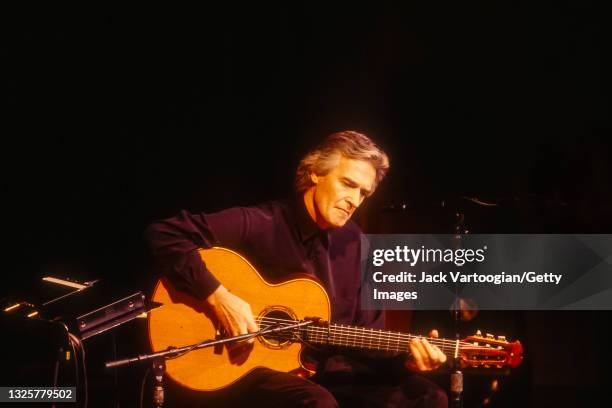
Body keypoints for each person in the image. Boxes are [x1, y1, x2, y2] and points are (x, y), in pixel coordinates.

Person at [145, 130, 448, 407]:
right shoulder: (263, 223)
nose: (354, 200)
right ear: (316, 173)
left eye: (363, 193)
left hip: (324, 371)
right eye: (348, 184)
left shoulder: (356, 243)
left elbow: (368, 337)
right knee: (317, 402)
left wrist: (405, 361)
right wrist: (219, 297)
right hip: (248, 366)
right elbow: (165, 234)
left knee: (428, 397)